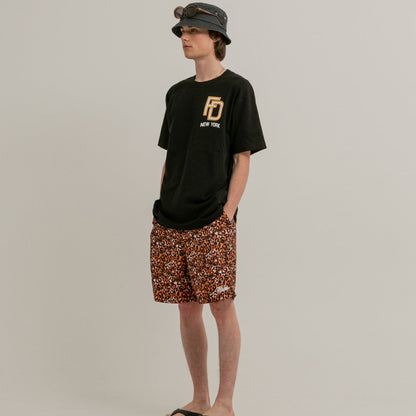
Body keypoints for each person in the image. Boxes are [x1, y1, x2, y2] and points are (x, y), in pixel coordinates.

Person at [150, 3, 267, 416]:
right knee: (186, 308)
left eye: (193, 31)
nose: (184, 37)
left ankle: (225, 403)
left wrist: (228, 213)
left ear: (216, 37)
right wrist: (161, 206)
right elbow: (171, 157)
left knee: (220, 305)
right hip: (170, 218)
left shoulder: (237, 89)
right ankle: (200, 399)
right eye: (182, 31)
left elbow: (242, 157)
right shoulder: (177, 93)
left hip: (212, 217)